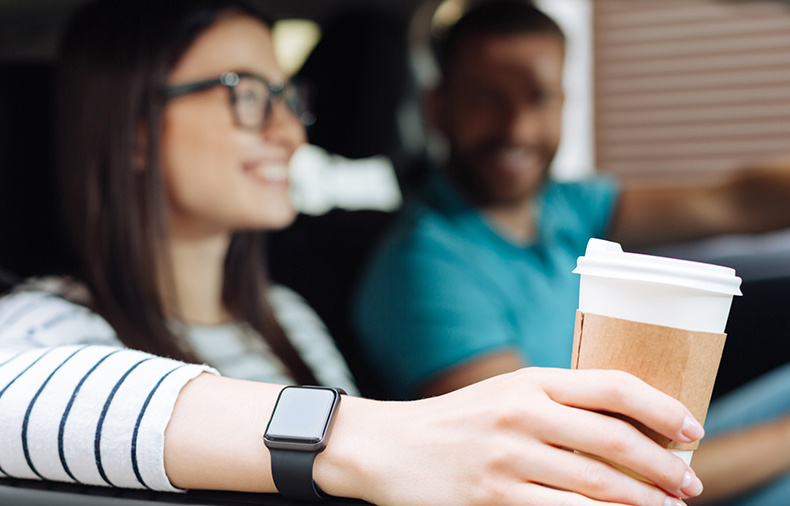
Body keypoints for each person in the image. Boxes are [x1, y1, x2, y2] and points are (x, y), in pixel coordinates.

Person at [0, 0, 706, 504]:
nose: (289, 133)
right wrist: (368, 438)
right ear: (134, 129)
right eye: (247, 94)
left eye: (286, 97)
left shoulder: (285, 318)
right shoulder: (50, 324)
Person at [352, 1, 790, 504]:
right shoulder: (423, 268)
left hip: (627, 452)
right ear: (438, 107)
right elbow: (550, 472)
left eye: (538, 98)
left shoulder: (564, 206)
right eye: (485, 98)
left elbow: (732, 202)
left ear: (563, 103)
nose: (517, 128)